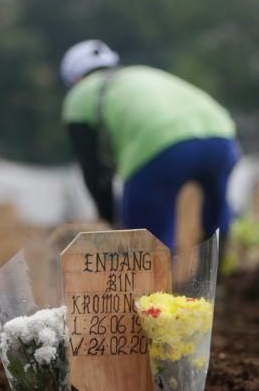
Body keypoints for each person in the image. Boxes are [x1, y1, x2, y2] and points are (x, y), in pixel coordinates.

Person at [60, 40, 240, 251]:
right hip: (220, 136)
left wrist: (109, 218)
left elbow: (93, 169)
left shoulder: (79, 95)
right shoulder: (140, 73)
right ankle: (221, 274)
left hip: (159, 145)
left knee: (146, 245)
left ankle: (156, 283)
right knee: (216, 221)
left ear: (75, 79)